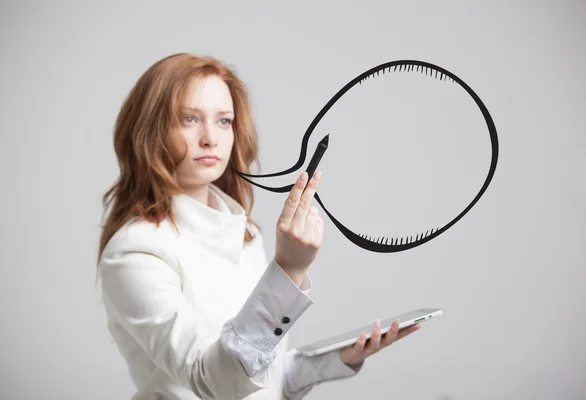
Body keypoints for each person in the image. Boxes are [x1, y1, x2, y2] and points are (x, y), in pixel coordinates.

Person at [96, 53, 420, 400]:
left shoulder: (244, 235)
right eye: (189, 119)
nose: (210, 138)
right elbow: (215, 380)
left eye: (223, 121)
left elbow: (263, 376)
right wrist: (288, 269)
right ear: (150, 130)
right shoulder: (135, 252)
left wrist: (341, 357)